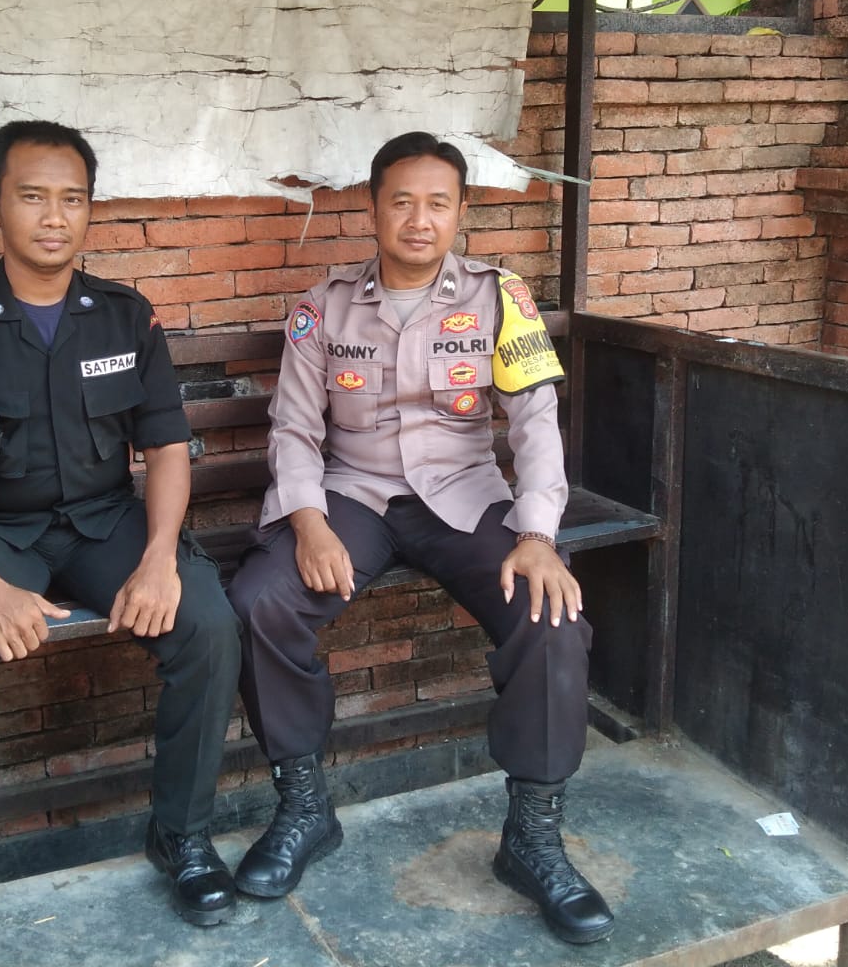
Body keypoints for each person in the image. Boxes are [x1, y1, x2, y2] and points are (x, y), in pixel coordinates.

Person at [226, 131, 614, 945]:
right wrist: (306, 522)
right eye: (401, 201)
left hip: (463, 497)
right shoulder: (324, 306)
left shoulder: (503, 299)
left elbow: (536, 424)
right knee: (262, 599)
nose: (419, 219)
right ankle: (303, 807)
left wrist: (537, 533)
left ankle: (532, 834)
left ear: (462, 211)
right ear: (372, 209)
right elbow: (293, 428)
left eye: (438, 203)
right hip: (353, 496)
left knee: (550, 617)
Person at [0, 121, 242, 967]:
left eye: (72, 199)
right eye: (33, 197)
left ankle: (182, 835)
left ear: (89, 209)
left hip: (105, 525)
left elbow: (166, 446)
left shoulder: (124, 316)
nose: (54, 217)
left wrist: (160, 558)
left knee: (209, 624)